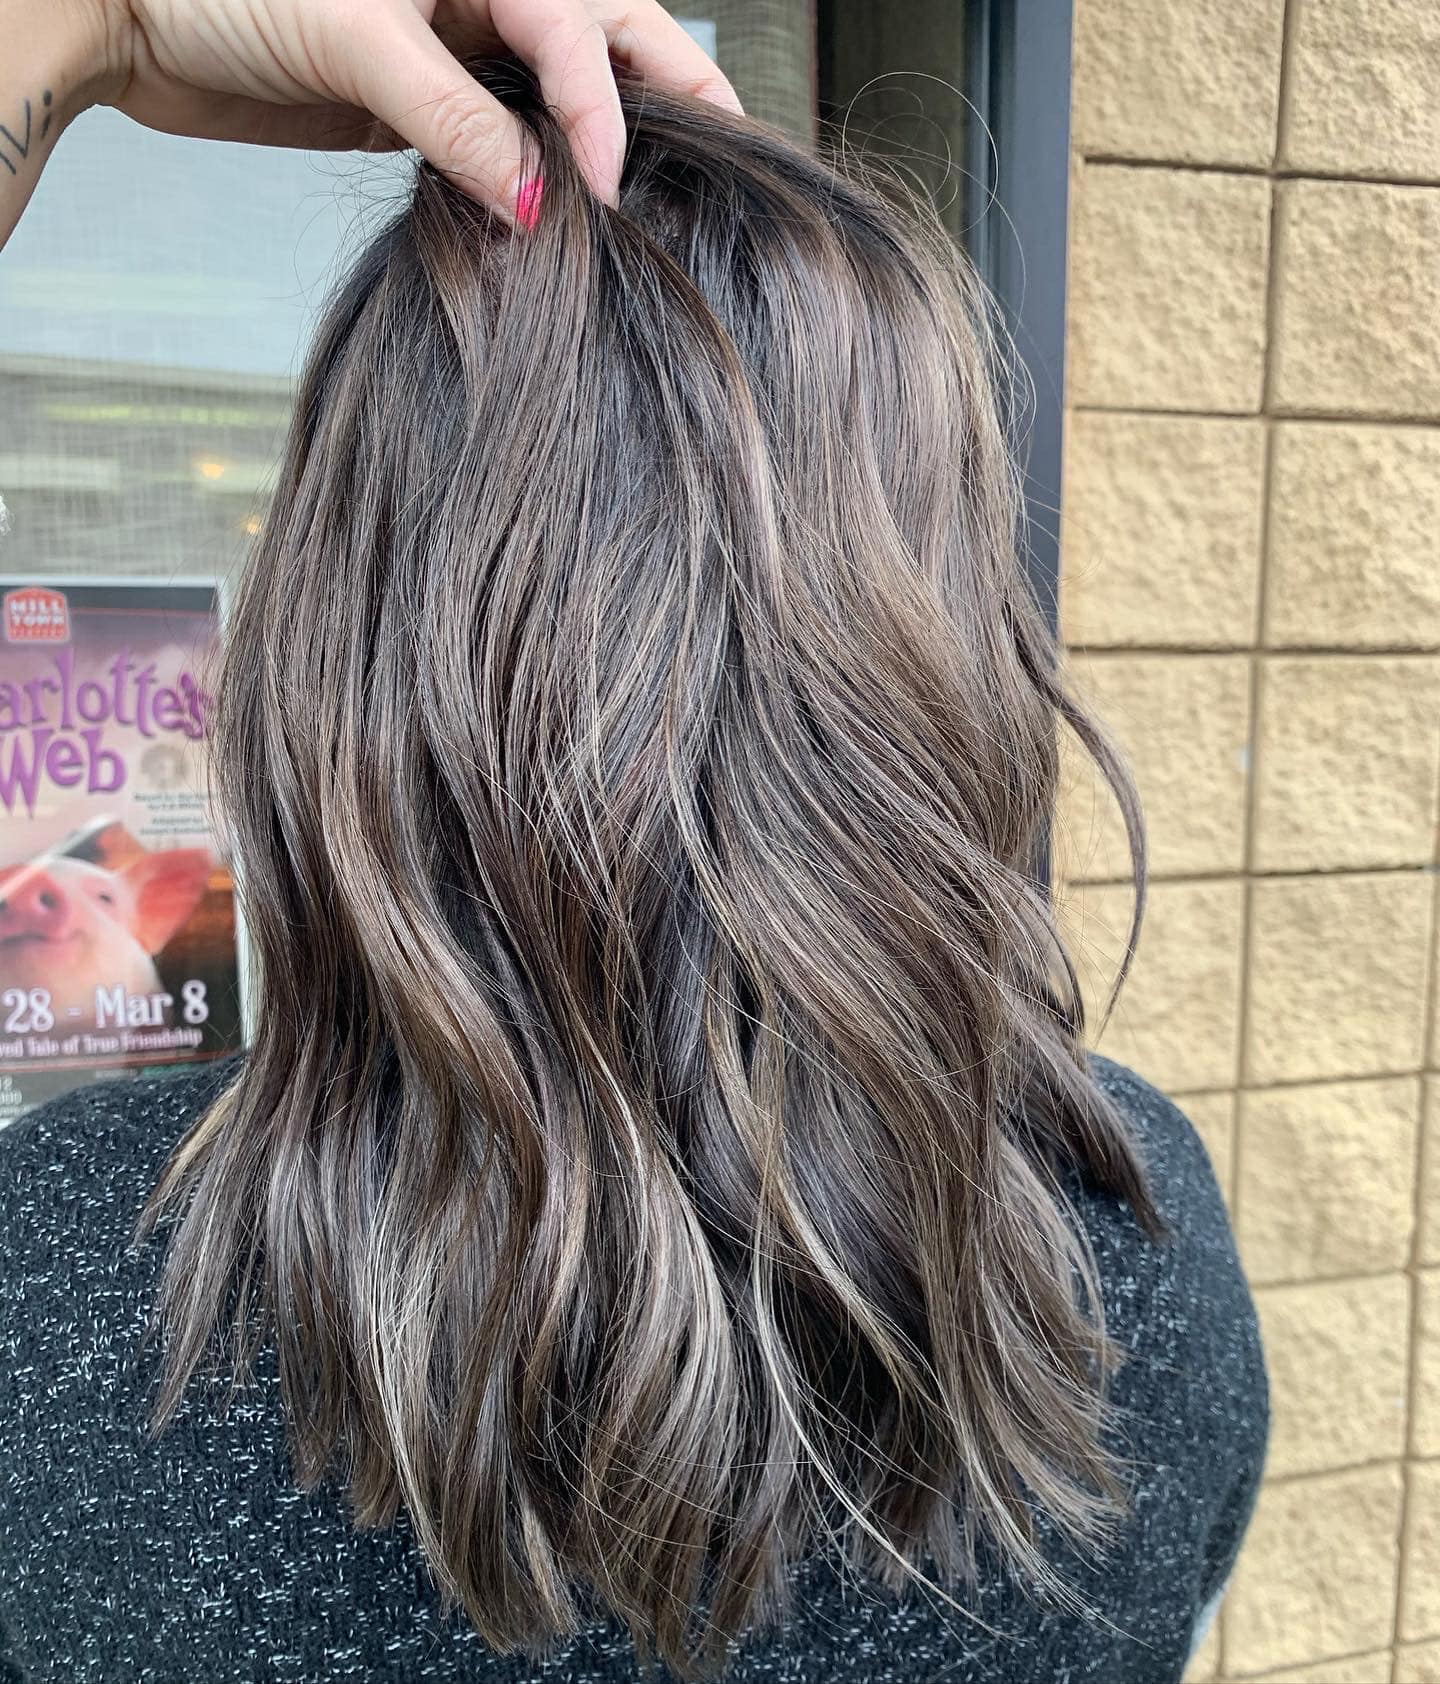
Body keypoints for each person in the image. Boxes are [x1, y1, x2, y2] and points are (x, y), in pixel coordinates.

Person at [0, 6, 1268, 1681]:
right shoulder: (1130, 1257)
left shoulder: (60, 1288)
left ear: (337, 649)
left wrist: (86, 30)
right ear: (933, 639)